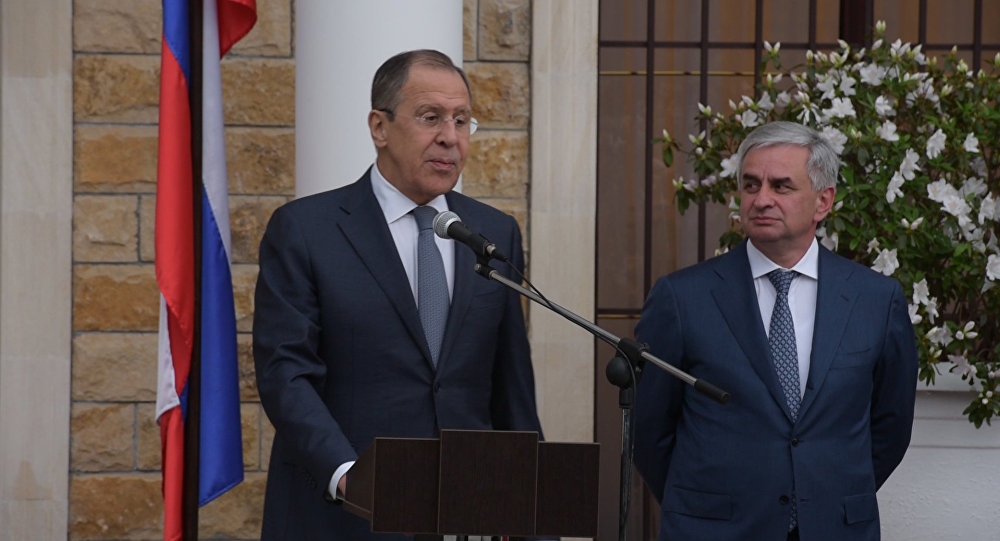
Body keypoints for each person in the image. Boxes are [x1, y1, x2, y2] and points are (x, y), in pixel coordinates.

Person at [253, 49, 545, 540]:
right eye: (430, 117)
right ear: (379, 127)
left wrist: (532, 517)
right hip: (344, 514)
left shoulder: (493, 234)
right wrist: (348, 476)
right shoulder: (306, 231)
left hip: (463, 515)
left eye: (461, 121)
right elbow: (286, 373)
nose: (449, 137)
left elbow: (511, 388)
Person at [633, 121, 918, 541]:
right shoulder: (683, 298)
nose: (761, 199)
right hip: (715, 531)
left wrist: (822, 497)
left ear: (823, 201)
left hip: (833, 528)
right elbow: (648, 429)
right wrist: (704, 507)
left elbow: (891, 425)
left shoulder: (875, 300)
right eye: (751, 185)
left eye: (781, 186)